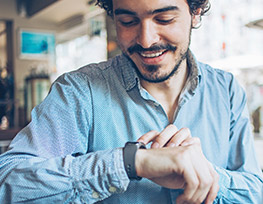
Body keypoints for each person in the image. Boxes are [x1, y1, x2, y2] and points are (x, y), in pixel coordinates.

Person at [0, 0, 262, 203]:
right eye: (127, 21)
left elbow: (255, 191)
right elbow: (8, 184)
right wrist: (131, 163)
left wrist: (204, 175)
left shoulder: (227, 89)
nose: (146, 40)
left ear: (195, 12)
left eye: (164, 18)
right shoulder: (79, 92)